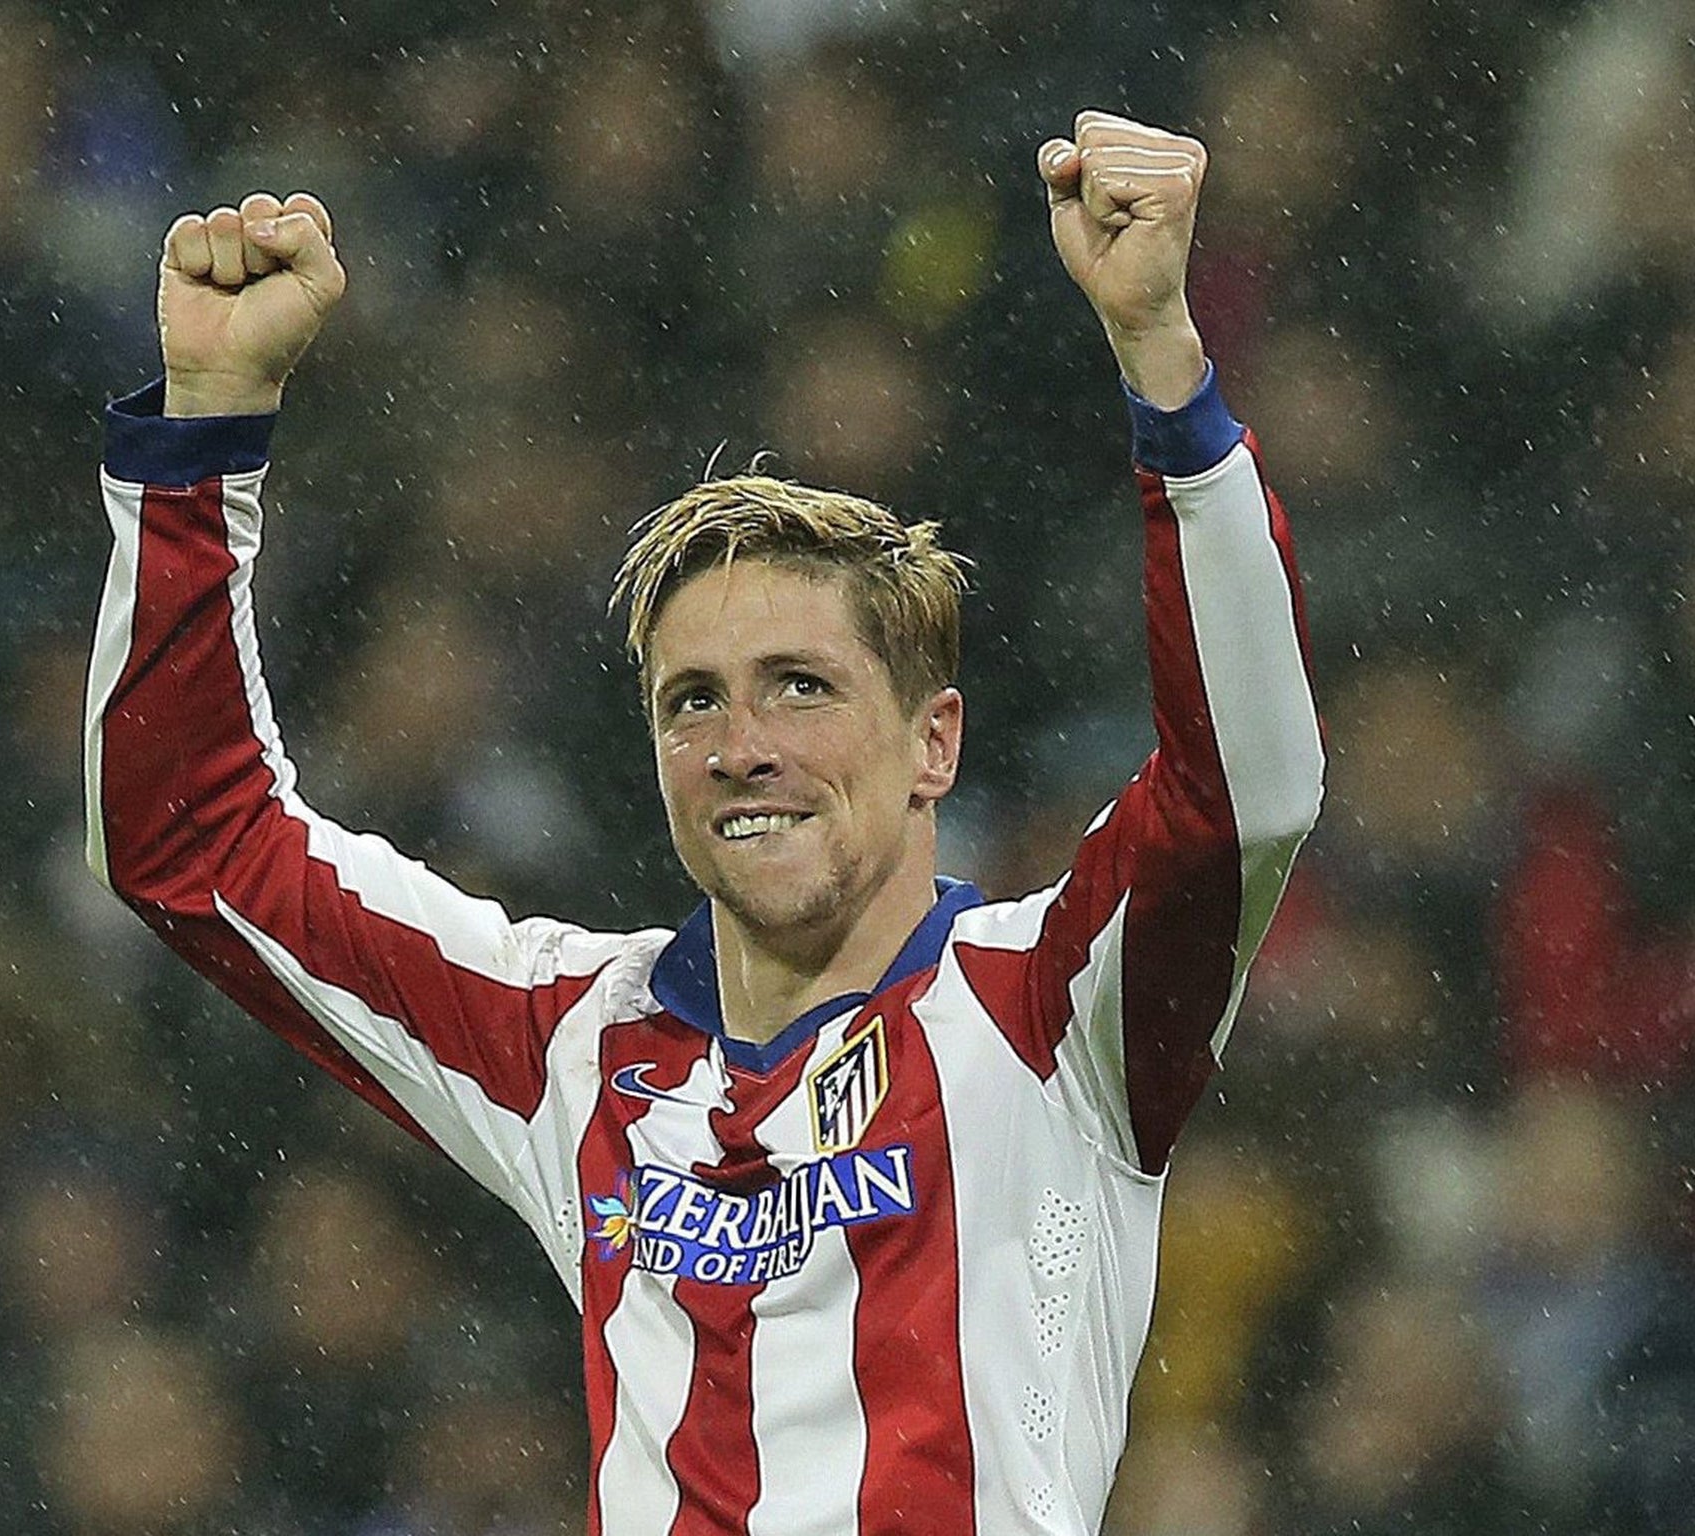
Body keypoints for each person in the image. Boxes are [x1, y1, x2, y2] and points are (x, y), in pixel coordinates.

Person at [84, 110, 1325, 1535]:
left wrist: (1163, 360)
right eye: (692, 704)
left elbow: (1251, 792)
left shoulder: (1049, 1007)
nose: (742, 749)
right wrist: (202, 434)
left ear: (936, 742)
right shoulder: (571, 1038)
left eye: (800, 688)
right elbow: (191, 838)